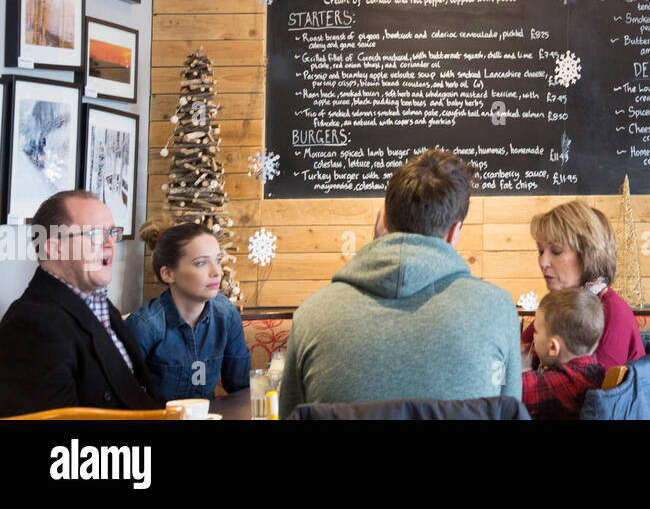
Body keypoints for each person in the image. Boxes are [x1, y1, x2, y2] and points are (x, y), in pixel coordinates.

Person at [279, 148, 522, 413]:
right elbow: (510, 410)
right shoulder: (497, 310)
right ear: (455, 232)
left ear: (383, 221)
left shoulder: (311, 315)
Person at [0, 191, 160, 416]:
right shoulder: (29, 324)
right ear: (56, 248)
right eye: (96, 234)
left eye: (112, 233)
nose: (110, 244)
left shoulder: (99, 304)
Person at [125, 222, 251, 401]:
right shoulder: (144, 326)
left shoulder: (226, 313)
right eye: (201, 263)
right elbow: (122, 399)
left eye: (217, 260)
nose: (217, 272)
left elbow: (240, 389)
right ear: (168, 274)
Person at [522, 200, 645, 368]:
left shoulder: (612, 314)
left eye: (556, 251)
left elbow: (589, 393)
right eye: (540, 251)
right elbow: (520, 349)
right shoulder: (563, 306)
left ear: (588, 254)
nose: (543, 262)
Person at [521, 288, 606, 419]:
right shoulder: (592, 369)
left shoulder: (565, 382)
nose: (533, 336)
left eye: (536, 331)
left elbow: (519, 392)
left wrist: (523, 367)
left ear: (553, 347)